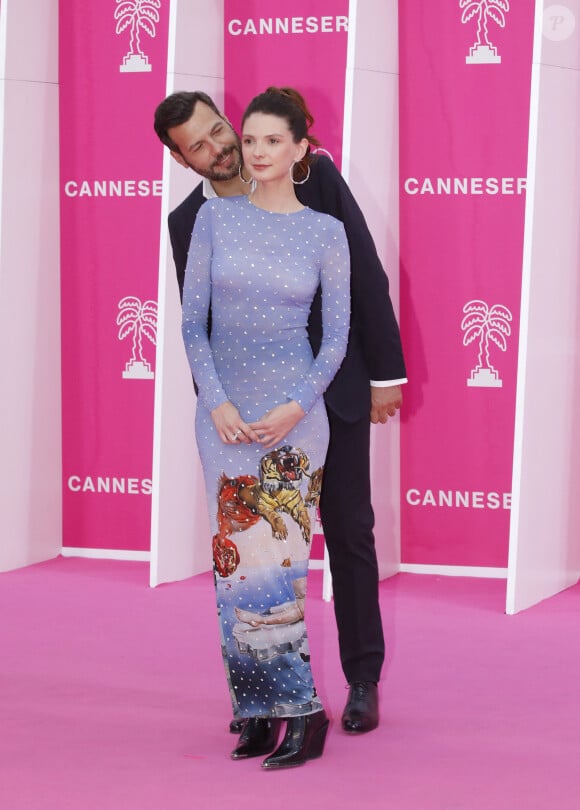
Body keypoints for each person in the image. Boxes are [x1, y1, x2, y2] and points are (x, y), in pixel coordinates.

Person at [153, 87, 407, 736]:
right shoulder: (191, 222)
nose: (219, 148)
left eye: (219, 131)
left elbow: (367, 277)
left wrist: (386, 372)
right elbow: (199, 325)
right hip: (242, 417)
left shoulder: (310, 172)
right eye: (198, 145)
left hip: (330, 395)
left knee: (347, 533)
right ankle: (268, 694)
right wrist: (218, 410)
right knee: (256, 552)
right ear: (184, 160)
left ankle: (362, 680)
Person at [179, 87, 351, 768]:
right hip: (223, 419)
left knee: (276, 571)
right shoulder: (214, 221)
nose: (256, 150)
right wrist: (216, 401)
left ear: (301, 148)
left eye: (273, 139)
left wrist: (297, 406)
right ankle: (255, 710)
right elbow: (194, 323)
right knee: (233, 571)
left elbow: (335, 339)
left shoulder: (324, 233)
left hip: (292, 421)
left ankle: (303, 713)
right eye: (249, 139)